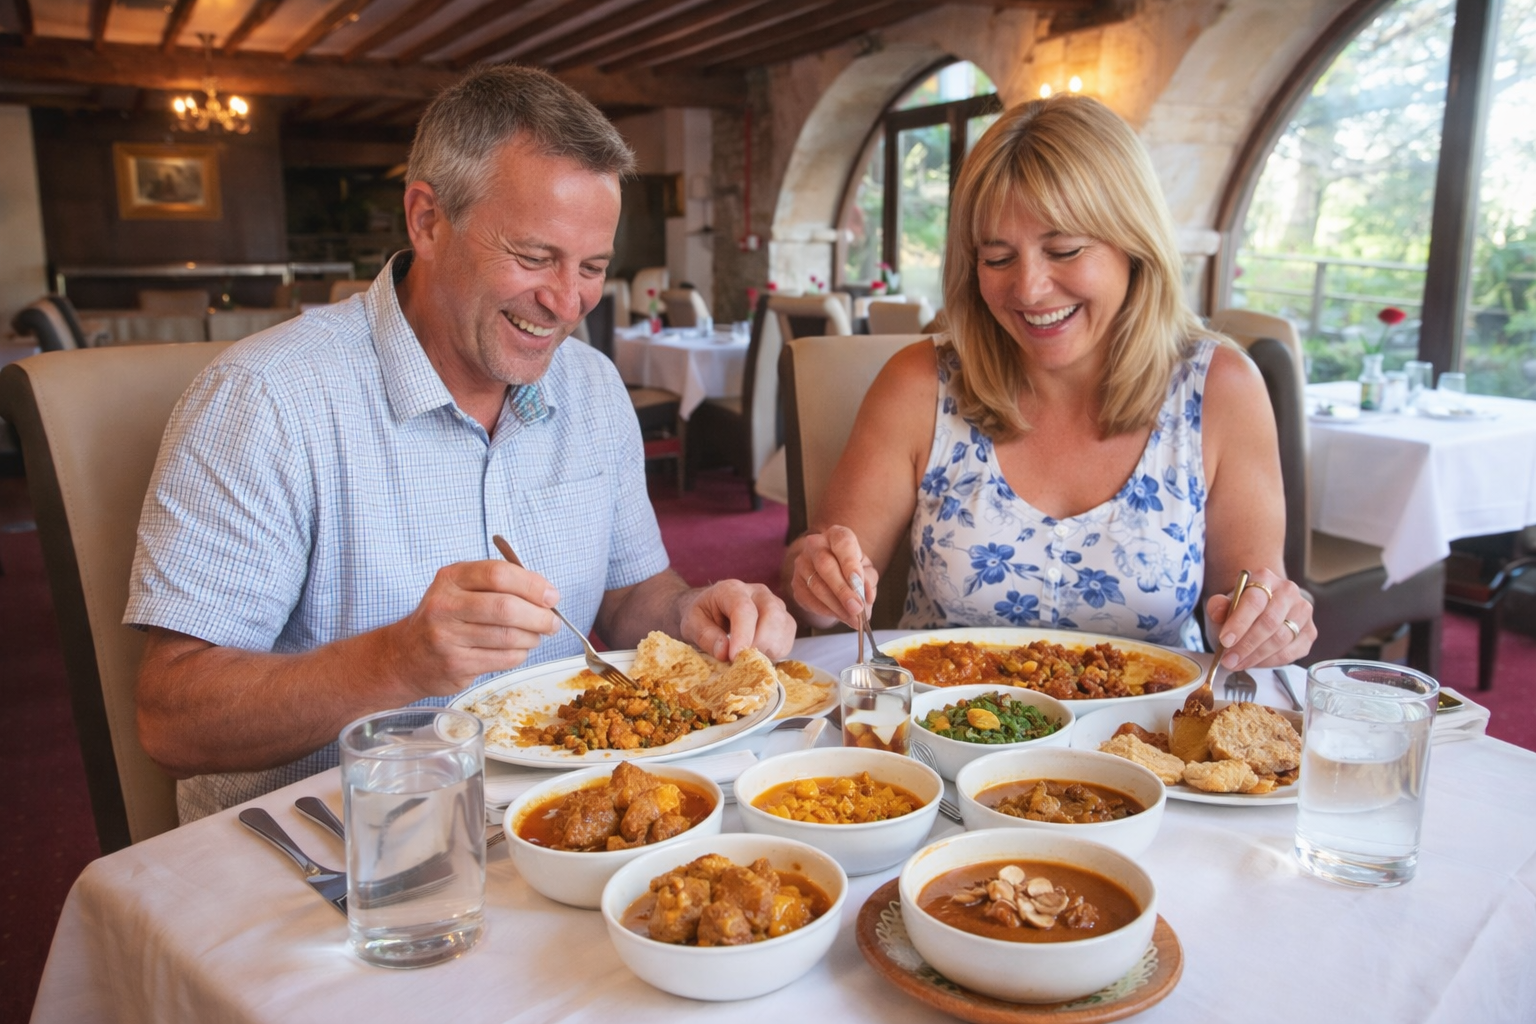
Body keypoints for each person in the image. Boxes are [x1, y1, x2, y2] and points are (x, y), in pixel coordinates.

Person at [128, 65, 795, 822]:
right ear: (427, 219)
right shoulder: (267, 399)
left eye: (593, 268)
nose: (567, 301)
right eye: (535, 256)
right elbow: (172, 718)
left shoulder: (593, 387)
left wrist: (694, 614)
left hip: (556, 821)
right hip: (325, 852)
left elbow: (632, 592)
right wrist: (398, 660)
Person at [788, 95, 1315, 671]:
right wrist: (819, 580)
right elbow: (820, 602)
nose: (1030, 289)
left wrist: (1271, 623)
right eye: (996, 258)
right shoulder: (919, 383)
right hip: (940, 733)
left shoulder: (1222, 389)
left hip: (1151, 739)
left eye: (1064, 250)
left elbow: (1251, 609)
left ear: (1134, 246)